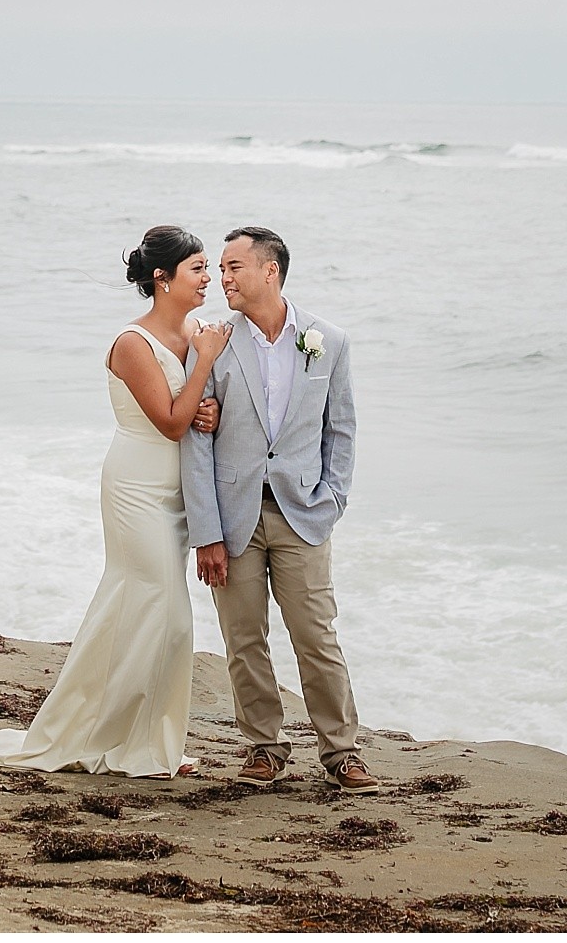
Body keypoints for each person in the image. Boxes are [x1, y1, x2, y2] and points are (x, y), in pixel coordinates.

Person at [0, 225, 226, 777]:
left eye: (210, 267)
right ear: (162, 279)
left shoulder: (194, 331)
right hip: (136, 489)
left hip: (178, 495)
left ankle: (147, 742)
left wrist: (208, 412)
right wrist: (205, 368)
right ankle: (101, 735)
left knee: (155, 616)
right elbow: (169, 422)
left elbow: (192, 411)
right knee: (161, 610)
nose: (209, 278)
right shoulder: (131, 343)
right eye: (198, 268)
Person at [181, 226, 376, 791]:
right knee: (243, 639)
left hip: (303, 513)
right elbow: (197, 439)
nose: (223, 279)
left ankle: (341, 751)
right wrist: (206, 531)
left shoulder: (328, 340)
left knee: (316, 635)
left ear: (271, 271)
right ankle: (264, 747)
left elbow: (341, 429)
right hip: (232, 513)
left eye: (234, 267)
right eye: (219, 269)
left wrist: (333, 499)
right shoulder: (214, 342)